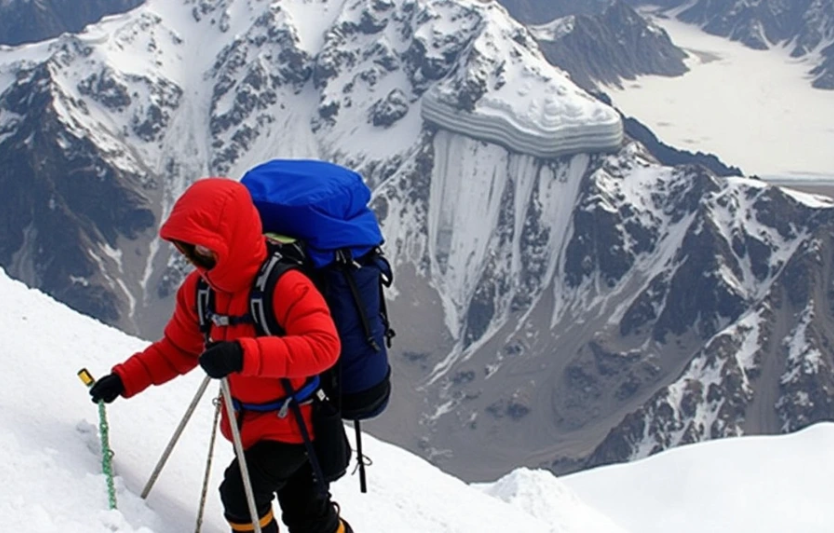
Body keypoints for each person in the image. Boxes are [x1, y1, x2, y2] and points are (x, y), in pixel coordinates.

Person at [89, 178, 353, 533]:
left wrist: (242, 354)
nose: (194, 259)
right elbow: (178, 350)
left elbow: (323, 347)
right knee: (308, 515)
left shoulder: (287, 286)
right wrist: (124, 379)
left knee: (240, 498)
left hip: (296, 427)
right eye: (188, 250)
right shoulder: (201, 291)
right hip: (252, 427)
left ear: (232, 239)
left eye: (202, 249)